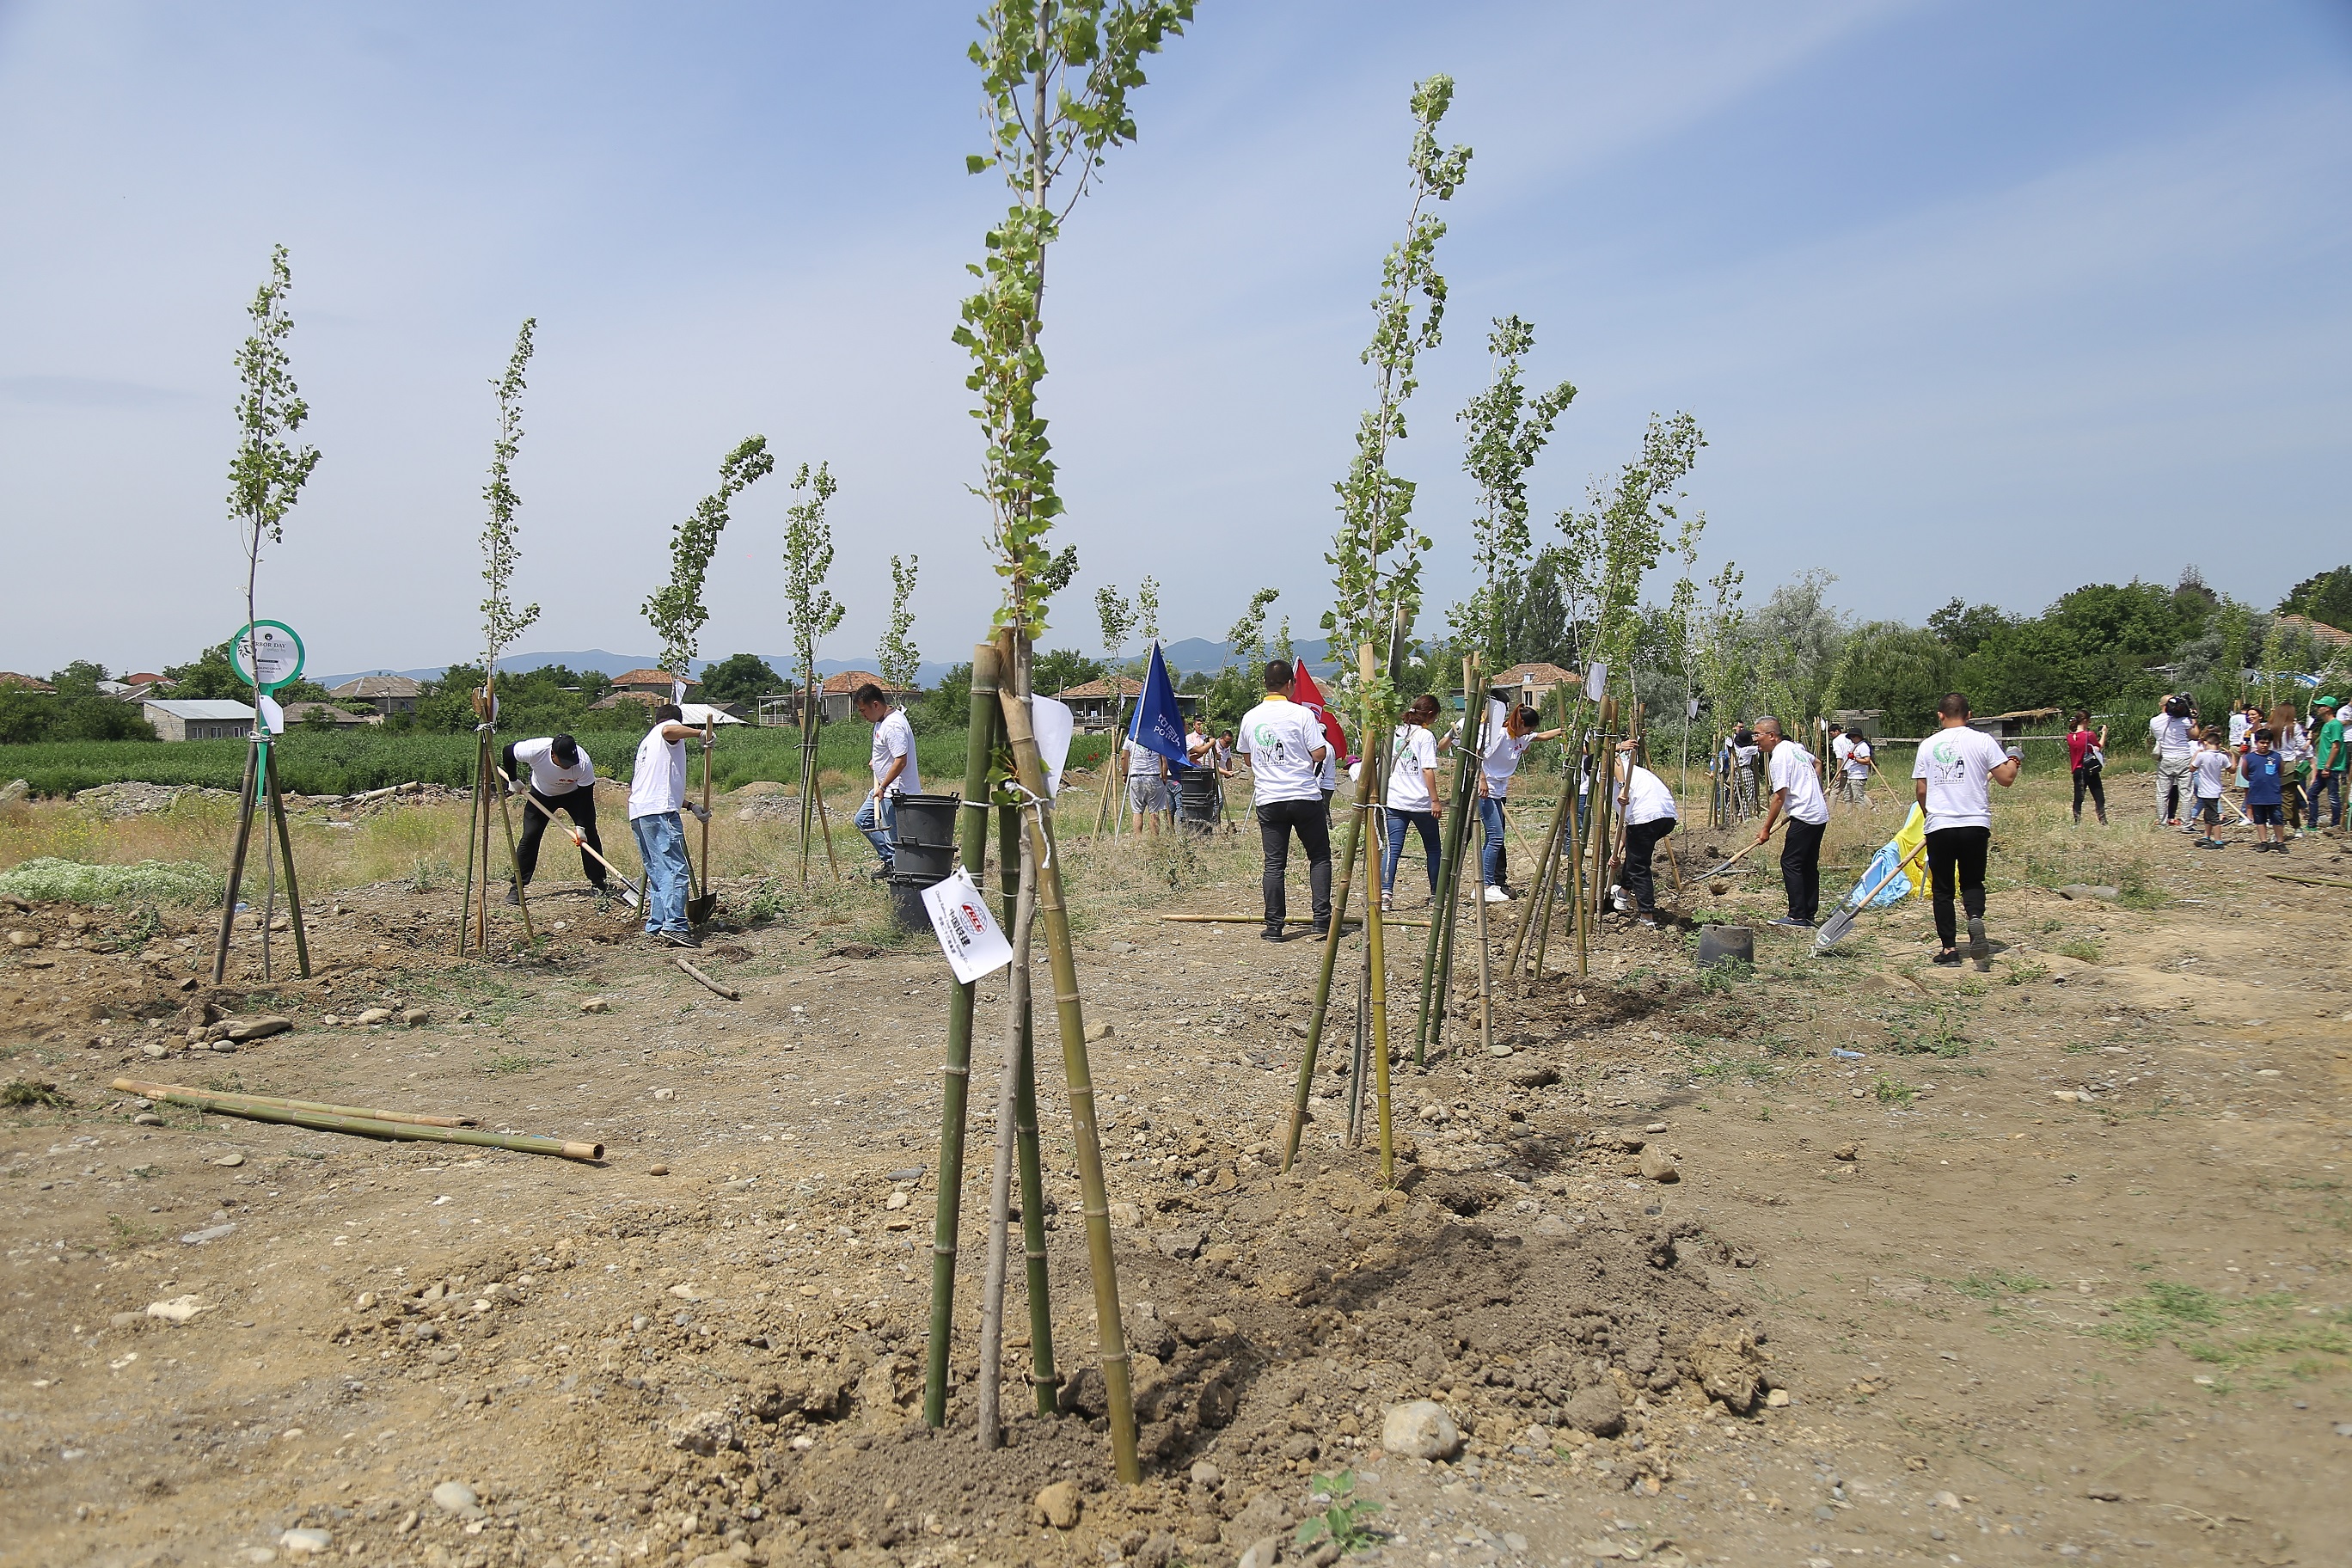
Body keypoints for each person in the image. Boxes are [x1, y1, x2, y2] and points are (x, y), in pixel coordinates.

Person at [1913, 693, 2020, 967]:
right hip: (1975, 823)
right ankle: (1974, 918)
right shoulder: (1983, 740)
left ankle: (1949, 950)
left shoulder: (1928, 745)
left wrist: (1929, 815)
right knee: (1972, 881)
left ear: (1940, 715)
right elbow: (2006, 778)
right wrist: (2014, 759)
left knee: (1943, 889)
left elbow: (1922, 790)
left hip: (1941, 825)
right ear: (1969, 715)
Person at [1238, 660, 1332, 941]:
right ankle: (1321, 920)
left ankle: (1274, 926)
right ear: (1290, 684)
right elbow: (1319, 753)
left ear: (1265, 684)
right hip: (1304, 795)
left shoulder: (1250, 717)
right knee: (1318, 856)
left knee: (1274, 864)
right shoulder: (1302, 714)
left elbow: (1247, 758)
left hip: (1270, 799)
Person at [502, 732, 631, 907]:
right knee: (530, 836)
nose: (568, 766)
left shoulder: (583, 763)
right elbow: (508, 751)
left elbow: (586, 798)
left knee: (589, 835)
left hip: (575, 795)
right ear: (553, 754)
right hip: (541, 795)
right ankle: (517, 887)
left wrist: (581, 826)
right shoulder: (535, 750)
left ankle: (598, 883)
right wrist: (513, 780)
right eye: (564, 762)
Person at [628, 703, 708, 947]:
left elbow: (658, 785)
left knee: (658, 872)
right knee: (674, 870)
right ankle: (675, 926)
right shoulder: (666, 731)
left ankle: (657, 924)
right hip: (660, 813)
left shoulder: (648, 744)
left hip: (641, 813)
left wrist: (690, 806)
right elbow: (669, 730)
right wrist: (700, 733)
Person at [1474, 702, 1564, 903]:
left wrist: (1563, 730)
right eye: (1529, 728)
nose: (1531, 732)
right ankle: (1487, 885)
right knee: (1496, 837)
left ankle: (1485, 883)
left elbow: (1543, 736)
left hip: (1499, 792)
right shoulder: (1500, 735)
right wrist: (1481, 780)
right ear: (1521, 723)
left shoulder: (1521, 737)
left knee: (1493, 839)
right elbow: (1477, 754)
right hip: (1485, 791)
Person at [1753, 716, 1830, 928]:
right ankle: (1808, 914)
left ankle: (1797, 915)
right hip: (1818, 813)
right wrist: (1812, 789)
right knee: (1808, 864)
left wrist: (1766, 829)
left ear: (1771, 735)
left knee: (1791, 862)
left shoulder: (1779, 757)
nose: (1755, 739)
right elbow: (1818, 763)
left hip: (1804, 816)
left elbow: (1779, 797)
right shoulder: (1794, 748)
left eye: (1758, 735)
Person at [1381, 695, 1444, 911]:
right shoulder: (1425, 736)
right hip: (1420, 802)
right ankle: (1436, 894)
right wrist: (1435, 800)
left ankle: (1385, 895)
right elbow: (1427, 769)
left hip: (1395, 800)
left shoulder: (1396, 732)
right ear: (1429, 715)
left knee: (1392, 848)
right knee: (1433, 849)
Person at [854, 683, 922, 873]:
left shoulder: (893, 725)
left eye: (863, 710)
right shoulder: (881, 721)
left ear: (875, 705)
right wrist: (876, 761)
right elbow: (889, 751)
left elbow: (901, 761)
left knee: (895, 837)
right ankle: (891, 860)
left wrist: (883, 787)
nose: (862, 715)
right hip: (883, 789)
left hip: (895, 792)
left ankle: (900, 872)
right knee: (863, 820)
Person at [1614, 744, 1676, 928]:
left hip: (1646, 816)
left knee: (1639, 866)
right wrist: (1617, 852)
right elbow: (1626, 827)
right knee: (1635, 854)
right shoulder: (1634, 770)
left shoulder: (1613, 771)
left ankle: (1647, 917)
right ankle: (1623, 893)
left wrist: (1622, 787)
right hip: (1666, 816)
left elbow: (1612, 756)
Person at [2147, 693, 2201, 826]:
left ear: (2161, 705)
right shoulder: (2183, 721)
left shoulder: (2154, 721)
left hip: (2165, 758)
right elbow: (2195, 736)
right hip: (2183, 757)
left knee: (2162, 793)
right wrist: (2193, 719)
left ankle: (2162, 822)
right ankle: (2186, 823)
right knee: (2186, 794)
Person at [1122, 707, 1168, 836]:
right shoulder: (1157, 736)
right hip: (1153, 777)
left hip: (1136, 777)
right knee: (1154, 812)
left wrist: (1125, 774)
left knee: (1137, 811)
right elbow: (1164, 760)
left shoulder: (1130, 737)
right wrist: (1164, 776)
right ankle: (1154, 839)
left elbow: (1124, 757)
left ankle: (1138, 839)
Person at [2242, 728, 2288, 852]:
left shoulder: (2276, 757)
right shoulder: (2249, 758)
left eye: (2267, 743)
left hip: (2273, 794)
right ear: (2256, 742)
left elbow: (2281, 771)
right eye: (2262, 742)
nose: (2265, 745)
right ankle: (2263, 841)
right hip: (2257, 794)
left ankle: (2280, 842)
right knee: (2260, 819)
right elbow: (2245, 773)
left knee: (2277, 818)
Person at [2271, 701, 2311, 835]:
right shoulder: (2294, 728)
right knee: (2288, 797)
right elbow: (2302, 747)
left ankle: (2294, 826)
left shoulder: (2270, 727)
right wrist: (2308, 742)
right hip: (2288, 765)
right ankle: (2280, 830)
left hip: (2272, 764)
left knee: (2286, 797)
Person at [2066, 710, 2108, 825]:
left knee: (2078, 798)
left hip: (2077, 770)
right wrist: (2104, 733)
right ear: (2085, 721)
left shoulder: (2069, 737)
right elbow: (2099, 747)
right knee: (2099, 797)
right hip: (2089, 769)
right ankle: (2103, 822)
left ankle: (2077, 822)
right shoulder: (2089, 735)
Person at [2188, 731, 2231, 845]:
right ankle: (2206, 836)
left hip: (2207, 791)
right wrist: (2232, 757)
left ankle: (2218, 841)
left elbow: (2192, 768)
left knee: (2213, 817)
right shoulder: (2222, 757)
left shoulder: (2202, 755)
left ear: (2206, 743)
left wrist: (2195, 755)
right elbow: (2232, 769)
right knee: (2208, 815)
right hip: (2214, 790)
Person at [2312, 697, 2346, 832]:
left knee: (2333, 796)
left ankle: (2335, 824)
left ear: (2328, 708)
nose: (2317, 708)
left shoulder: (2335, 725)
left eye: (2320, 706)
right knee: (2312, 794)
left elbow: (2336, 747)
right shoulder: (2326, 725)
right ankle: (2312, 823)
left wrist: (2328, 766)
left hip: (2331, 767)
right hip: (2323, 766)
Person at [1842, 732, 1877, 807]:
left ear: (1859, 737)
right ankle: (1848, 813)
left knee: (1858, 799)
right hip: (1851, 776)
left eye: (1853, 736)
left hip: (1858, 776)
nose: (1852, 738)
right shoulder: (1856, 746)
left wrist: (1854, 758)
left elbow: (1867, 761)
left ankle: (1862, 814)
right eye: (1850, 737)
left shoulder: (1863, 746)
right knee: (1847, 797)